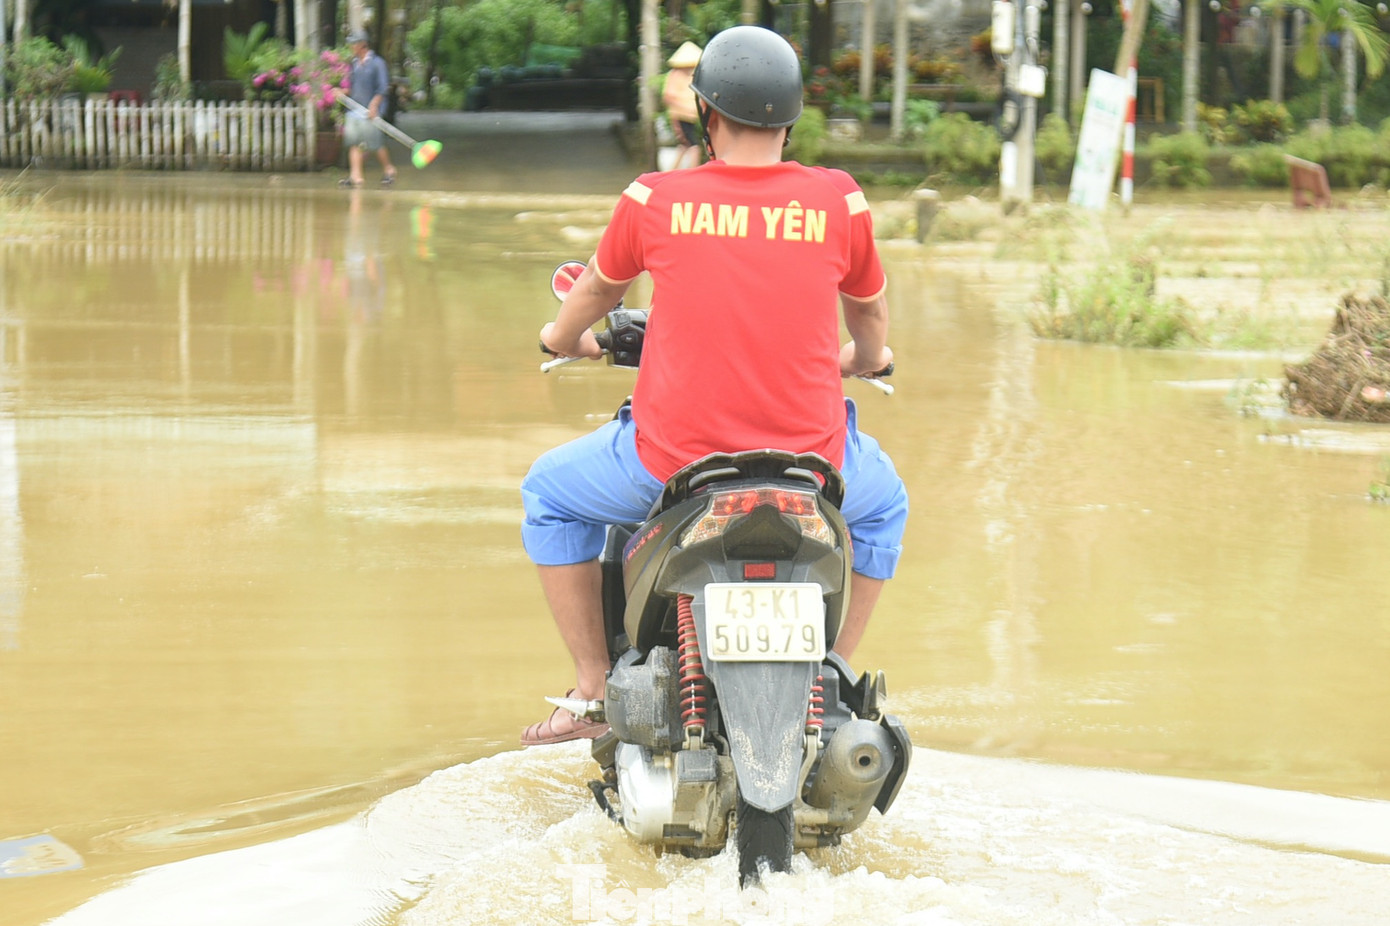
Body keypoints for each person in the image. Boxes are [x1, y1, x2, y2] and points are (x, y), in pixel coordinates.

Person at [519, 25, 908, 746]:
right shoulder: (840, 200)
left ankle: (593, 687)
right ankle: (835, 671)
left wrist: (561, 339)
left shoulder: (654, 197)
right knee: (886, 507)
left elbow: (598, 291)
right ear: (791, 116)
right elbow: (869, 311)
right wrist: (866, 358)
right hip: (814, 470)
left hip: (671, 466)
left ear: (707, 112)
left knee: (547, 493)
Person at [340, 29, 397, 189]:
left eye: (353, 44)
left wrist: (374, 105)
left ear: (362, 45)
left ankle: (389, 169)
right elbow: (353, 88)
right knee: (354, 143)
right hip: (354, 110)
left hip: (370, 111)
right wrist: (341, 92)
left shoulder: (377, 63)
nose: (351, 47)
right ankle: (355, 177)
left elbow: (383, 88)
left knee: (375, 144)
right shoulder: (354, 64)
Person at [661, 41, 703, 170]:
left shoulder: (692, 77)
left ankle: (672, 172)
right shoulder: (675, 75)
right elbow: (668, 96)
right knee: (694, 147)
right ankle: (693, 172)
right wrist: (686, 107)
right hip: (680, 116)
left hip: (690, 116)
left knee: (685, 145)